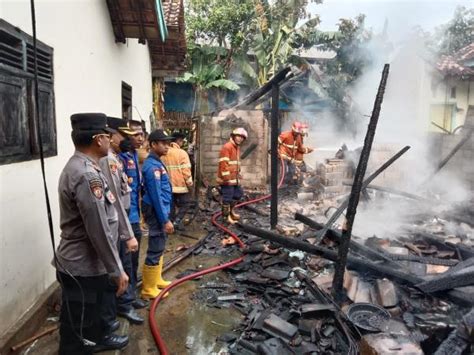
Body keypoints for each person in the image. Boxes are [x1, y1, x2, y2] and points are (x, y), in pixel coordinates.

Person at [55, 113, 129, 354]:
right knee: (76, 324)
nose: (111, 140)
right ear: (99, 140)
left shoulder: (84, 167)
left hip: (87, 264)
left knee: (88, 315)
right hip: (81, 265)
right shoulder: (87, 175)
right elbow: (99, 229)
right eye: (108, 136)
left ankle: (94, 341)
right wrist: (116, 269)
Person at [99, 117, 145, 325]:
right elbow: (115, 198)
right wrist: (126, 232)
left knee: (130, 262)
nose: (125, 138)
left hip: (127, 216)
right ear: (110, 135)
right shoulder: (109, 160)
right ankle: (124, 305)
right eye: (122, 134)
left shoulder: (119, 157)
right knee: (123, 263)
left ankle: (128, 298)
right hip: (119, 221)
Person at [140, 129, 175, 299]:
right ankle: (148, 288)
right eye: (163, 143)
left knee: (160, 245)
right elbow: (155, 196)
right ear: (153, 144)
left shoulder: (157, 162)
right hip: (156, 211)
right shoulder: (152, 166)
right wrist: (165, 220)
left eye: (168, 143)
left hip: (160, 209)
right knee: (156, 246)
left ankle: (157, 279)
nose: (167, 146)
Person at [118, 121, 144, 294]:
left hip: (135, 216)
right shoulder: (121, 159)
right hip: (127, 219)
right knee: (127, 259)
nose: (140, 138)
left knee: (134, 259)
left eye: (142, 134)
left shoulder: (134, 155)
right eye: (136, 135)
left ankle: (133, 291)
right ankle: (127, 298)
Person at [161, 132, 193, 230]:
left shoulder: (164, 153)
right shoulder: (182, 153)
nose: (183, 143)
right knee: (186, 203)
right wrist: (190, 184)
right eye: (182, 141)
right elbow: (186, 171)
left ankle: (170, 224)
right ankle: (176, 221)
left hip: (167, 186)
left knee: (171, 206)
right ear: (178, 141)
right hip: (180, 186)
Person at [216, 127, 248, 224]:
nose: (240, 139)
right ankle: (226, 218)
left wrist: (238, 173)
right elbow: (223, 165)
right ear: (233, 136)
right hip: (227, 180)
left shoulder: (236, 147)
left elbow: (234, 163)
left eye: (242, 137)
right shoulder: (227, 147)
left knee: (238, 194)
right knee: (227, 198)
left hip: (234, 179)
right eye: (238, 136)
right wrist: (227, 179)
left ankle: (231, 212)